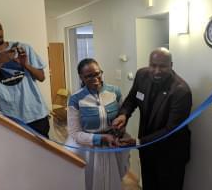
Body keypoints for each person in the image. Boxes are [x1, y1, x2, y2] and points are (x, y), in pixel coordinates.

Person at [113, 47, 192, 190]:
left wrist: (138, 142)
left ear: (171, 65)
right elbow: (132, 99)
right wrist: (123, 115)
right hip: (147, 149)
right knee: (149, 185)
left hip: (170, 154)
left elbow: (171, 130)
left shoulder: (181, 91)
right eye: (153, 65)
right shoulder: (142, 75)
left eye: (162, 66)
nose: (156, 71)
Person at [66, 58, 129, 190]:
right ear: (81, 77)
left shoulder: (114, 92)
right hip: (89, 149)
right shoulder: (76, 99)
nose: (95, 78)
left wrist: (120, 129)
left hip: (112, 146)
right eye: (89, 76)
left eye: (97, 73)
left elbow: (123, 116)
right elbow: (74, 132)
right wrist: (100, 138)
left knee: (112, 181)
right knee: (91, 182)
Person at [0, 15, 50, 137]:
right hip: (9, 121)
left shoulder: (22, 48)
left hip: (36, 114)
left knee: (44, 155)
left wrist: (25, 64)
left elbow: (41, 77)